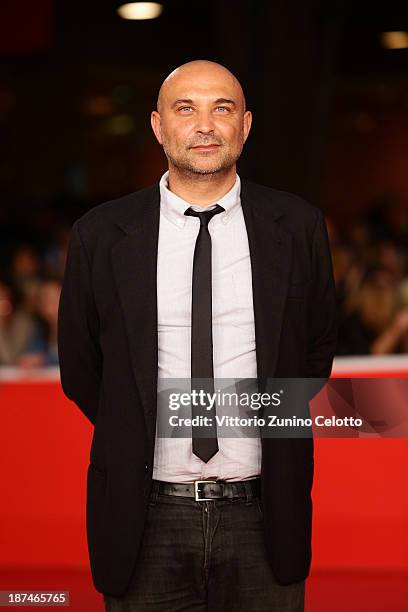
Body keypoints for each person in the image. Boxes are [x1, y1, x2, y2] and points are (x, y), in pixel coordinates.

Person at [57, 60, 338, 611]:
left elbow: (313, 355)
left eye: (222, 108)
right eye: (186, 108)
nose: (205, 125)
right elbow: (84, 369)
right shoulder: (101, 235)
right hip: (143, 518)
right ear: (159, 126)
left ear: (247, 125)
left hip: (264, 514)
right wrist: (139, 422)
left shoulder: (298, 226)